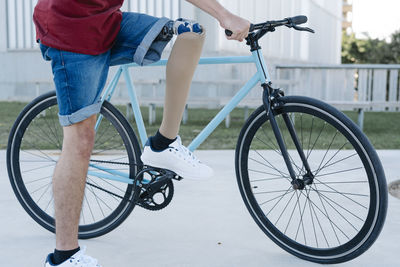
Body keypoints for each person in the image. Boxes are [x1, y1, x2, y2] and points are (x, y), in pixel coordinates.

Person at [33, 0, 250, 266]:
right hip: (70, 30)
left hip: (106, 22)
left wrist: (224, 16)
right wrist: (225, 15)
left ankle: (163, 144)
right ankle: (63, 256)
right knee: (80, 140)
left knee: (192, 32)